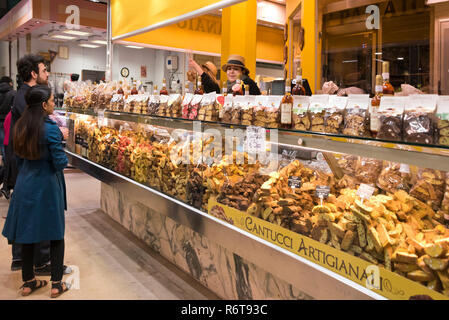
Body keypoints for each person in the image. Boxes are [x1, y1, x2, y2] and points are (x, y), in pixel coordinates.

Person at [2, 85, 70, 297]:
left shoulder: (20, 126)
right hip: (47, 186)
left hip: (24, 184)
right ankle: (57, 284)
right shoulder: (51, 130)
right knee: (56, 234)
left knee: (28, 232)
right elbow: (60, 163)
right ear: (43, 105)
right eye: (51, 101)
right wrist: (62, 141)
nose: (53, 104)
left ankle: (28, 281)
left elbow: (18, 159)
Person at [0, 76, 14, 158]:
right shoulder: (13, 93)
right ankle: (8, 166)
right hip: (9, 122)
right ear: (10, 83)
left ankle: (4, 163)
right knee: (9, 144)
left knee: (2, 144)